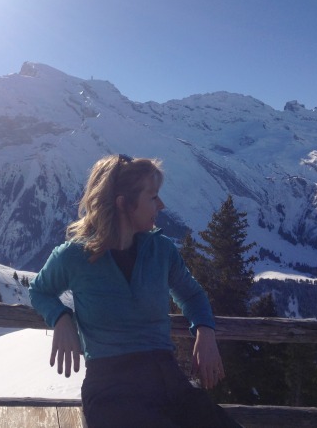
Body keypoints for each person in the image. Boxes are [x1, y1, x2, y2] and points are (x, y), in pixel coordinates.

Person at [29, 154, 242, 428]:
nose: (161, 205)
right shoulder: (74, 256)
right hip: (111, 390)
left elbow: (191, 295)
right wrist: (60, 316)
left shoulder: (161, 250)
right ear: (123, 204)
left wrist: (205, 330)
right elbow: (39, 291)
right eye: (152, 197)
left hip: (168, 381)